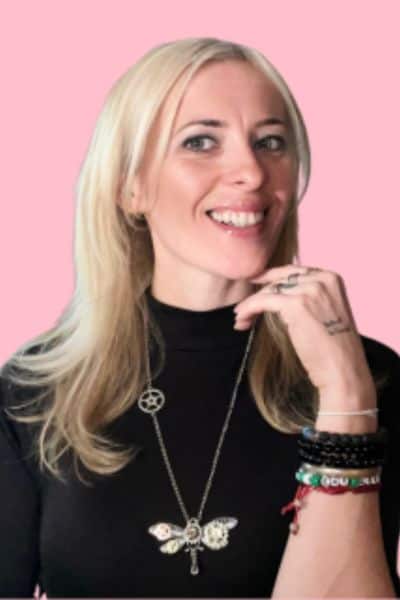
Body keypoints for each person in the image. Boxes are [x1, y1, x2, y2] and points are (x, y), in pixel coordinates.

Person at [0, 36, 399, 598]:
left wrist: (346, 398)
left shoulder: (366, 376)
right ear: (131, 186)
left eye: (270, 142)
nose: (251, 172)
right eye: (200, 142)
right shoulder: (34, 391)